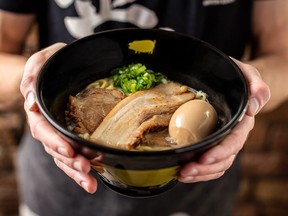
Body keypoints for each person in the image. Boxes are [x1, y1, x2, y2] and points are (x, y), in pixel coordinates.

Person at [2, 0, 287, 215]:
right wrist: (33, 82)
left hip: (197, 184)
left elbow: (281, 56)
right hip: (62, 182)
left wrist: (247, 92)